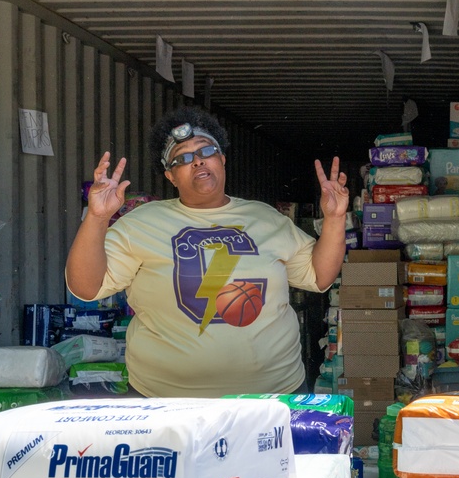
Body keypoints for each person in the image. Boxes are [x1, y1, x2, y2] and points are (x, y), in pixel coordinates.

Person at [65, 106, 348, 397]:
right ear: (170, 176)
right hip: (166, 402)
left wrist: (336, 219)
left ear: (222, 159)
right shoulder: (140, 223)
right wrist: (97, 218)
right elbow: (86, 288)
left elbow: (320, 277)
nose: (197, 161)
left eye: (206, 151)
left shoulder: (267, 218)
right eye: (183, 158)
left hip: (272, 398)